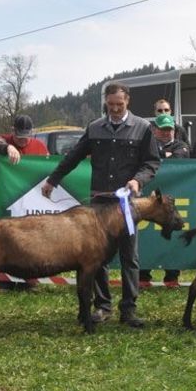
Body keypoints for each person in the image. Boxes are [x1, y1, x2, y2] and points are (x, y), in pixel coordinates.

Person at [41, 82, 160, 328]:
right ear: (105, 102)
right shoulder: (94, 128)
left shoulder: (143, 127)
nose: (115, 109)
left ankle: (129, 310)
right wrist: (53, 180)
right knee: (96, 259)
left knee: (130, 257)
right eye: (111, 104)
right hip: (99, 204)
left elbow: (151, 163)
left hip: (127, 203)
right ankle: (102, 306)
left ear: (128, 102)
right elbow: (73, 156)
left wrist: (138, 180)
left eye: (120, 104)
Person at [0, 114, 49, 290]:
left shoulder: (40, 146)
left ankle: (30, 280)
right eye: (19, 138)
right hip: (9, 199)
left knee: (32, 241)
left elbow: (48, 167)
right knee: (5, 239)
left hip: (32, 202)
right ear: (12, 132)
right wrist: (8, 147)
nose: (23, 142)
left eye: (26, 137)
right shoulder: (4, 140)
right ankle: (4, 280)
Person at [139, 113, 188, 287]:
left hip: (173, 196)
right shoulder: (147, 144)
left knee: (172, 232)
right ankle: (143, 275)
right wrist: (163, 154)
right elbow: (146, 160)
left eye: (170, 129)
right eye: (163, 129)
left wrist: (165, 155)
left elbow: (180, 157)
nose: (167, 133)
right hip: (149, 196)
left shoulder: (181, 145)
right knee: (144, 234)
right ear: (155, 130)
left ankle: (172, 276)